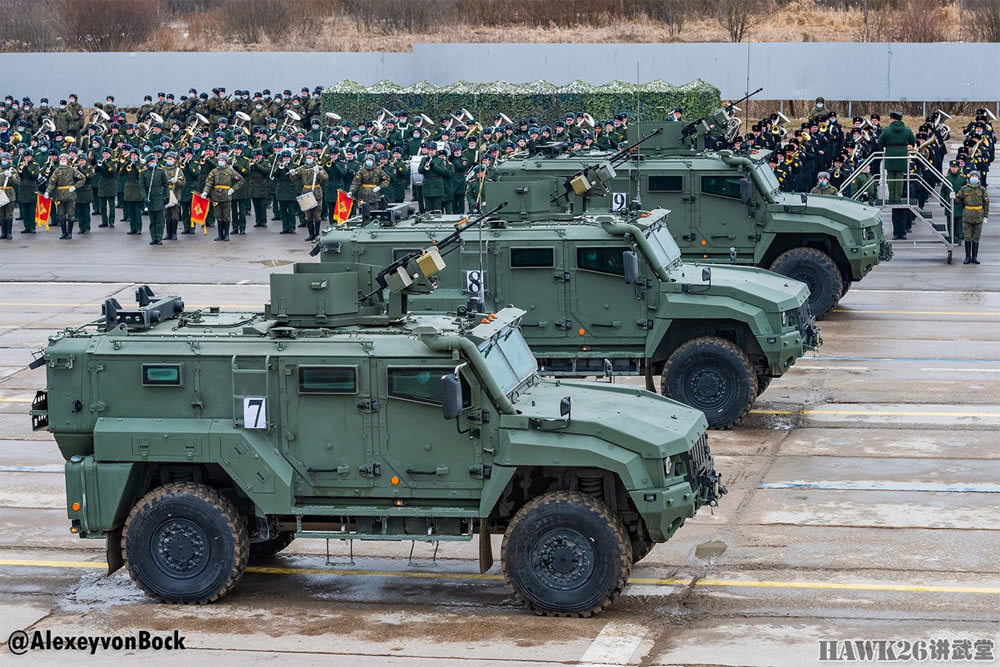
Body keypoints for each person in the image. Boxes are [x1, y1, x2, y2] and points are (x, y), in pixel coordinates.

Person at [202, 151, 242, 241]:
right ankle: (220, 234)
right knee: (218, 216)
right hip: (216, 196)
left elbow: (240, 180)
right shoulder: (214, 171)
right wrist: (205, 192)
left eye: (222, 160)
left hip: (226, 196)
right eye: (219, 160)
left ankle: (226, 234)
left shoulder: (230, 171)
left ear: (226, 161)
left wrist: (233, 189)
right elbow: (209, 183)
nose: (220, 161)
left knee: (226, 216)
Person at [44, 153, 85, 239]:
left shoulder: (72, 170)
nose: (62, 161)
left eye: (64, 159)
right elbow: (52, 183)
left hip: (70, 195)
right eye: (61, 159)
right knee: (61, 214)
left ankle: (69, 233)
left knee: (71, 214)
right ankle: (63, 232)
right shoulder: (57, 171)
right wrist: (47, 192)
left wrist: (75, 187)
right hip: (60, 195)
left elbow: (82, 178)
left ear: (67, 161)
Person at [290, 152, 328, 241]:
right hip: (306, 191)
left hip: (316, 192)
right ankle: (311, 234)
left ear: (314, 158)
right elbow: (294, 179)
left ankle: (317, 234)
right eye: (307, 157)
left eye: (310, 157)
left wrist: (319, 173)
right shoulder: (302, 168)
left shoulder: (319, 167)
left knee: (317, 214)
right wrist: (292, 174)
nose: (308, 159)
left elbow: (325, 178)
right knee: (308, 215)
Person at [954, 171, 988, 265]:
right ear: (969, 178)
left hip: (978, 215)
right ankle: (967, 257)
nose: (974, 178)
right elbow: (958, 200)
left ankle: (974, 257)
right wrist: (953, 197)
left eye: (975, 176)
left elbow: (986, 203)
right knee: (967, 237)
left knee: (976, 237)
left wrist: (985, 216)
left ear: (978, 178)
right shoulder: (964, 189)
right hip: (967, 215)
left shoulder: (982, 190)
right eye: (972, 176)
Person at [162, 151, 186, 240]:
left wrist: (177, 182)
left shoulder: (178, 170)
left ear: (175, 160)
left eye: (171, 159)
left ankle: (174, 233)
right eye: (167, 159)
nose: (169, 161)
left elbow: (183, 182)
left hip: (175, 194)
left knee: (174, 214)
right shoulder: (163, 170)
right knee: (167, 214)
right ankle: (168, 233)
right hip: (166, 194)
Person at [942, 159, 966, 244]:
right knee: (950, 222)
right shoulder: (947, 178)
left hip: (959, 203)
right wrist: (942, 201)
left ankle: (959, 237)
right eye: (952, 167)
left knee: (959, 222)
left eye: (955, 167)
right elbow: (943, 190)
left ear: (958, 168)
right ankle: (951, 236)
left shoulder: (962, 178)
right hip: (949, 203)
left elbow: (965, 191)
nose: (953, 169)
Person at [72, 154, 94, 234]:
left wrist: (81, 170)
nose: (81, 162)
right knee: (80, 212)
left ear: (85, 160)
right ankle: (81, 228)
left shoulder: (89, 167)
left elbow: (89, 176)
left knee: (86, 212)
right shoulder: (75, 168)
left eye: (82, 160)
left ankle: (87, 227)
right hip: (78, 191)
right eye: (80, 160)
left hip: (86, 190)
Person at [0, 152, 19, 239]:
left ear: (9, 160)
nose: (3, 161)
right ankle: (3, 232)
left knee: (9, 214)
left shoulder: (12, 170)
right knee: (1, 214)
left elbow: (17, 182)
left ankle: (9, 233)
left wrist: (10, 176)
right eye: (2, 159)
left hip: (9, 193)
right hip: (0, 193)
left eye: (5, 159)